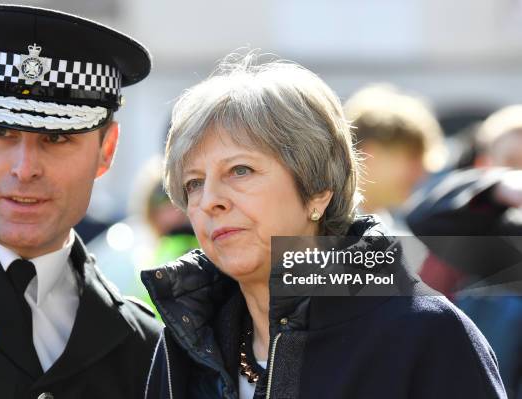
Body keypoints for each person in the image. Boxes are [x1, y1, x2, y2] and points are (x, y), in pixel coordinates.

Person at [140, 54, 506, 399]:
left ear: (317, 190)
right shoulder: (186, 341)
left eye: (240, 170)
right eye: (193, 183)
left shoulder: (425, 333)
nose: (209, 201)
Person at [0, 5, 161, 398]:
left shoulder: (142, 347)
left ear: (106, 150)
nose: (25, 169)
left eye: (56, 139)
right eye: (1, 132)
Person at [344, 84, 446, 233]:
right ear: (369, 154)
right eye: (412, 158)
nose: (422, 173)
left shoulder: (386, 226)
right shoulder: (328, 230)